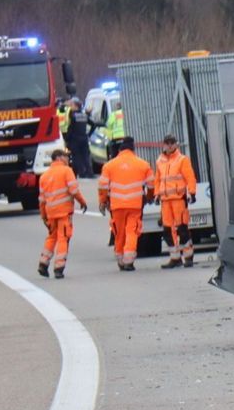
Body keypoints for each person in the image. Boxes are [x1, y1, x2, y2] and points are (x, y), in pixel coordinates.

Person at [98, 137, 154, 271]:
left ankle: (120, 260)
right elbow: (151, 185)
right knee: (132, 232)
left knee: (119, 233)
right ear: (133, 149)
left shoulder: (109, 165)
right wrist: (148, 197)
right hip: (135, 205)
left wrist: (103, 201)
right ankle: (129, 261)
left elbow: (103, 186)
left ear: (119, 150)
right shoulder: (143, 164)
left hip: (116, 206)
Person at [37, 149, 88, 278]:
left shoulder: (44, 176)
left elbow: (42, 200)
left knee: (51, 237)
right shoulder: (67, 171)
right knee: (63, 238)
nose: (68, 159)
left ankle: (43, 263)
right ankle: (59, 267)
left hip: (51, 213)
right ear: (59, 158)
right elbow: (74, 190)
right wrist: (82, 202)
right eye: (66, 156)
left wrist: (43, 216)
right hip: (64, 212)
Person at [154, 135, 198, 268]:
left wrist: (192, 192)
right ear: (163, 145)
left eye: (172, 143)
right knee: (167, 230)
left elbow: (190, 176)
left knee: (182, 228)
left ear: (176, 144)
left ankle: (188, 256)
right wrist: (156, 194)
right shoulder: (160, 161)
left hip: (179, 198)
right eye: (167, 143)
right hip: (165, 200)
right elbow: (158, 179)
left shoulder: (182, 160)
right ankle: (175, 257)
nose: (170, 146)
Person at [65, 97, 94, 178]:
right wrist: (89, 134)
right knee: (85, 156)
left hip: (75, 139)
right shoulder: (84, 115)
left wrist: (67, 139)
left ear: (76, 106)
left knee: (76, 156)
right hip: (84, 138)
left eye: (72, 105)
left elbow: (71, 128)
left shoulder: (73, 116)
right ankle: (90, 173)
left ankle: (82, 173)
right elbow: (93, 124)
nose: (71, 107)